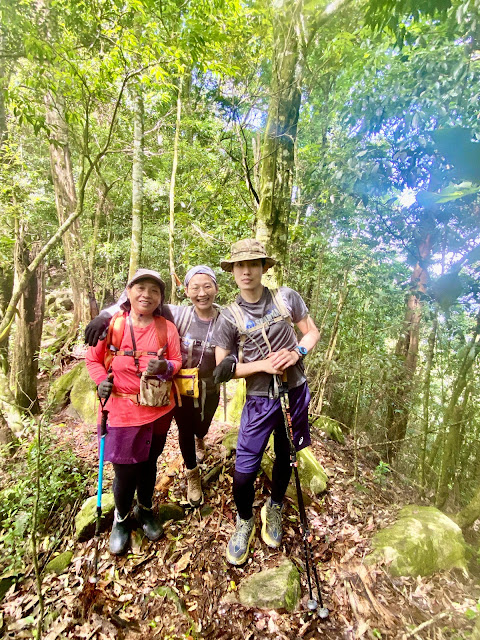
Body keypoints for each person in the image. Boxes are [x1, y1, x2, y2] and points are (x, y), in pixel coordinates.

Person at [212, 238, 320, 566]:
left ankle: (274, 506)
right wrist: (262, 365)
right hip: (260, 399)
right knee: (245, 470)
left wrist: (297, 351)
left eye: (253, 264)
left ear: (263, 268)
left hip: (295, 390)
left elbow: (311, 333)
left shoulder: (286, 298)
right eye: (239, 266)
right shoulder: (229, 318)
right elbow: (223, 369)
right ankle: (244, 521)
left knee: (288, 455)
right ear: (232, 271)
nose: (246, 271)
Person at [85, 265, 221, 507]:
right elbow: (135, 302)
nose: (201, 293)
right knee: (183, 432)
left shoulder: (223, 318)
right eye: (195, 287)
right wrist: (104, 316)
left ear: (217, 288)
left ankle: (146, 507)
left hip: (203, 389)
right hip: (176, 389)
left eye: (207, 286)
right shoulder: (177, 314)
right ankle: (191, 475)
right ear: (186, 291)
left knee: (197, 431)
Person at [85, 269, 182, 555]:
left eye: (154, 290)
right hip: (123, 411)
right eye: (141, 288)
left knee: (150, 464)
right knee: (125, 472)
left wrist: (164, 367)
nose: (147, 295)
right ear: (128, 292)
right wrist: (102, 381)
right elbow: (93, 361)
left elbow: (176, 360)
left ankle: (146, 509)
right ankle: (121, 519)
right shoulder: (113, 325)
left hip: (159, 409)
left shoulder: (167, 328)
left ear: (160, 298)